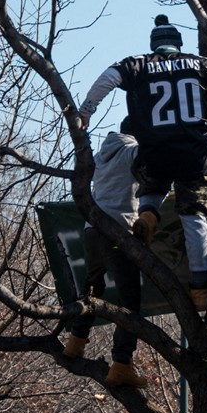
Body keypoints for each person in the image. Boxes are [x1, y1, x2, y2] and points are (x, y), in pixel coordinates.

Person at [78, 15, 207, 311]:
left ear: (154, 45)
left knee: (152, 184)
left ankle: (149, 213)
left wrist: (86, 110)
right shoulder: (200, 64)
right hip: (194, 152)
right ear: (178, 44)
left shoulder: (138, 64)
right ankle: (200, 287)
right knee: (194, 218)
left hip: (153, 149)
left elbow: (108, 77)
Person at [62, 120, 148, 389]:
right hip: (117, 230)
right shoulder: (135, 152)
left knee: (93, 287)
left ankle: (75, 341)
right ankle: (121, 363)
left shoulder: (100, 156)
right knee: (129, 300)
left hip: (92, 229)